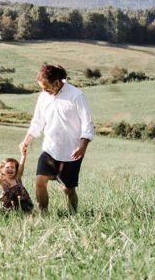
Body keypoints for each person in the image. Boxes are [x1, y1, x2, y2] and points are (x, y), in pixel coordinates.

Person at [20, 63, 94, 214]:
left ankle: (72, 215)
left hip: (71, 151)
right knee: (40, 181)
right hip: (50, 148)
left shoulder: (76, 95)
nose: (43, 90)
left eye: (46, 87)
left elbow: (87, 123)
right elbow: (37, 121)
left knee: (68, 189)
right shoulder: (43, 97)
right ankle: (43, 215)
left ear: (57, 82)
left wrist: (82, 146)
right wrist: (26, 140)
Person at [0, 142, 34, 213]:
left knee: (25, 211)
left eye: (12, 167)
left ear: (16, 170)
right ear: (2, 170)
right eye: (7, 167)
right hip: (10, 206)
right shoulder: (3, 182)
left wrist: (23, 155)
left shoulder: (17, 178)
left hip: (23, 204)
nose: (10, 169)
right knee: (5, 212)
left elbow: (21, 164)